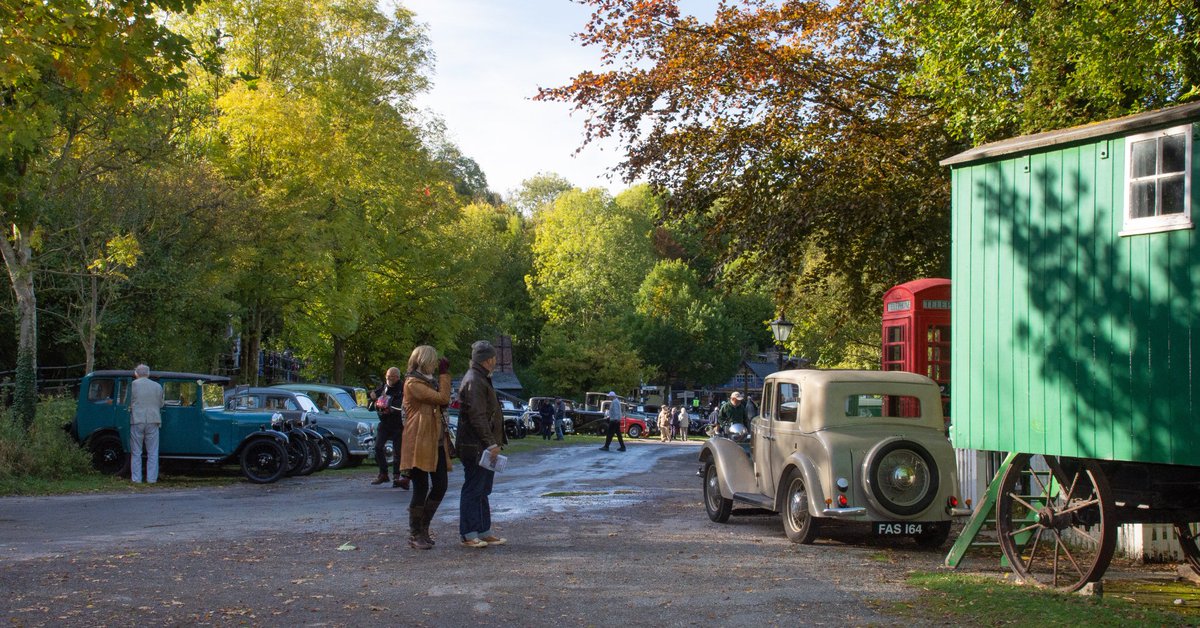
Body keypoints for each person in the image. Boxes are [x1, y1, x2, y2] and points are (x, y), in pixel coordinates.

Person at [399, 346, 453, 550]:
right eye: (434, 361)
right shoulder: (413, 383)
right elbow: (443, 399)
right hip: (418, 441)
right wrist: (445, 375)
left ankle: (423, 528)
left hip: (435, 441)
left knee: (440, 485)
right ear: (424, 361)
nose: (436, 364)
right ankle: (415, 534)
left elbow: (443, 402)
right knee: (420, 488)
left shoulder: (427, 382)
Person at [456, 340, 508, 548]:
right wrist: (490, 443)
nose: (495, 361)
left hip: (482, 446)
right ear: (488, 360)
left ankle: (483, 530)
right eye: (494, 357)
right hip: (475, 446)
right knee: (473, 488)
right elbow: (477, 416)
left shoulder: (480, 378)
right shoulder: (475, 380)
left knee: (483, 489)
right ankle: (469, 533)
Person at [370, 367, 409, 489]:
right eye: (387, 376)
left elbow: (404, 406)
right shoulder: (383, 387)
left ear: (397, 377)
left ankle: (397, 477)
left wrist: (390, 408)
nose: (389, 378)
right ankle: (383, 474)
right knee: (377, 447)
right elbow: (372, 403)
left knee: (398, 452)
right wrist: (372, 398)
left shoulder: (403, 388)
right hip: (385, 423)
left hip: (398, 424)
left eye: (391, 376)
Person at [129, 364, 164, 483]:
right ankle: (151, 478)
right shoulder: (157, 386)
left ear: (136, 373)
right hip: (153, 419)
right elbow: (161, 403)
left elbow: (128, 402)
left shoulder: (132, 385)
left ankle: (136, 479)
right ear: (148, 373)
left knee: (136, 451)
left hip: (137, 419)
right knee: (153, 451)